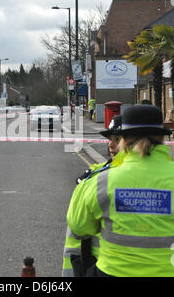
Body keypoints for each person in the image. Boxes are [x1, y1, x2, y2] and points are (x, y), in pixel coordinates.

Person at [66, 105, 174, 277]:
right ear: (162, 139)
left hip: (113, 272)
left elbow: (79, 228)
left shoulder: (101, 181)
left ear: (123, 141)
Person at [62, 115, 123, 277]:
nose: (111, 144)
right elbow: (73, 240)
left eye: (117, 139)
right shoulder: (93, 178)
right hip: (99, 267)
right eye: (110, 139)